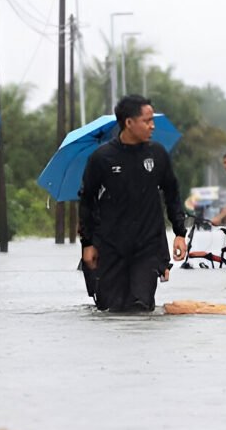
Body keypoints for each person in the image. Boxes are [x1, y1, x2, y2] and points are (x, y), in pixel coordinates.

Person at [78, 95, 188, 312]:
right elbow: (87, 201)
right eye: (147, 121)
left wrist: (179, 232)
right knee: (111, 309)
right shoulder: (102, 158)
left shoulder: (157, 154)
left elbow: (172, 193)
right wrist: (87, 244)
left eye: (152, 120)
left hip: (147, 247)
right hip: (110, 247)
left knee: (140, 306)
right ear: (129, 122)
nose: (152, 126)